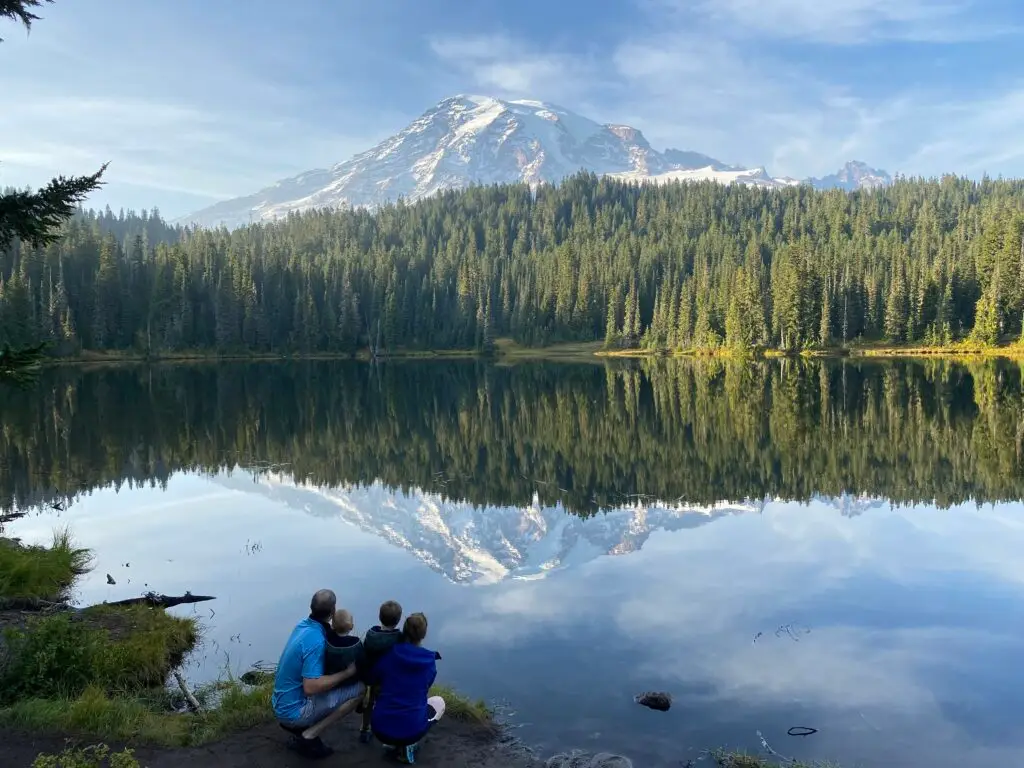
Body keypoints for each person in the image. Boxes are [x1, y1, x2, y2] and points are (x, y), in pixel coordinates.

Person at [272, 589, 366, 759]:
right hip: (294, 712)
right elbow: (310, 687)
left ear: (311, 606)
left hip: (281, 703)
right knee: (359, 690)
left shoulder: (302, 625)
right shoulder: (317, 641)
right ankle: (309, 735)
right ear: (333, 610)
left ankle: (301, 728)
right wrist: (347, 673)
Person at [370, 612, 446, 764]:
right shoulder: (429, 661)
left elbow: (374, 678)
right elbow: (426, 687)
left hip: (380, 729)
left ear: (403, 630)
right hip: (412, 731)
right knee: (439, 702)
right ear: (423, 635)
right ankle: (408, 745)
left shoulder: (389, 654)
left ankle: (392, 744)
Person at [357, 599, 404, 742]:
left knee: (370, 702)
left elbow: (364, 653)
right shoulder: (398, 638)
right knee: (387, 704)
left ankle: (365, 729)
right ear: (398, 620)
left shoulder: (371, 634)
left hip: (371, 675)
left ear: (379, 617)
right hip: (387, 679)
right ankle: (386, 730)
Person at [324, 608, 363, 675]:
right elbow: (362, 661)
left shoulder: (328, 640)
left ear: (332, 626)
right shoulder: (356, 642)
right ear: (352, 627)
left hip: (331, 676)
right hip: (352, 678)